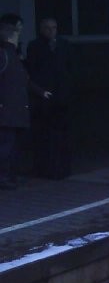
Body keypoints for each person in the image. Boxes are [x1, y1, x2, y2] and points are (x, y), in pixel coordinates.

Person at [0, 23, 51, 189]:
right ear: (11, 36)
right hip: (8, 109)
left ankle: (10, 174)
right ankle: (5, 176)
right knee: (7, 145)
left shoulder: (12, 55)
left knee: (13, 145)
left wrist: (40, 91)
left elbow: (24, 80)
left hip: (14, 109)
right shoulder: (6, 55)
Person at [26, 17, 72, 179]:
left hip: (61, 95)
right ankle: (46, 167)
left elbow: (69, 67)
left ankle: (61, 166)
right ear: (41, 29)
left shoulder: (63, 44)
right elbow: (32, 70)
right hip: (44, 95)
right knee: (45, 133)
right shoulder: (35, 46)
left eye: (54, 28)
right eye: (48, 28)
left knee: (62, 133)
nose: (52, 31)